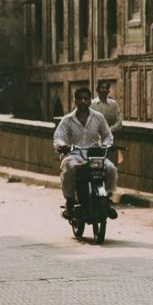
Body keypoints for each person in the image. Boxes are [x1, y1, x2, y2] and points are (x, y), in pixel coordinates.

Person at [53, 86, 118, 219]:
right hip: (74, 155)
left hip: (94, 155)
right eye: (80, 99)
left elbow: (107, 135)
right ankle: (69, 201)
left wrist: (106, 145)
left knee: (111, 168)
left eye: (86, 98)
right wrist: (62, 146)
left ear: (90, 101)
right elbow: (58, 137)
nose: (83, 101)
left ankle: (107, 199)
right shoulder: (67, 119)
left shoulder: (98, 117)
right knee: (69, 168)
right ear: (75, 101)